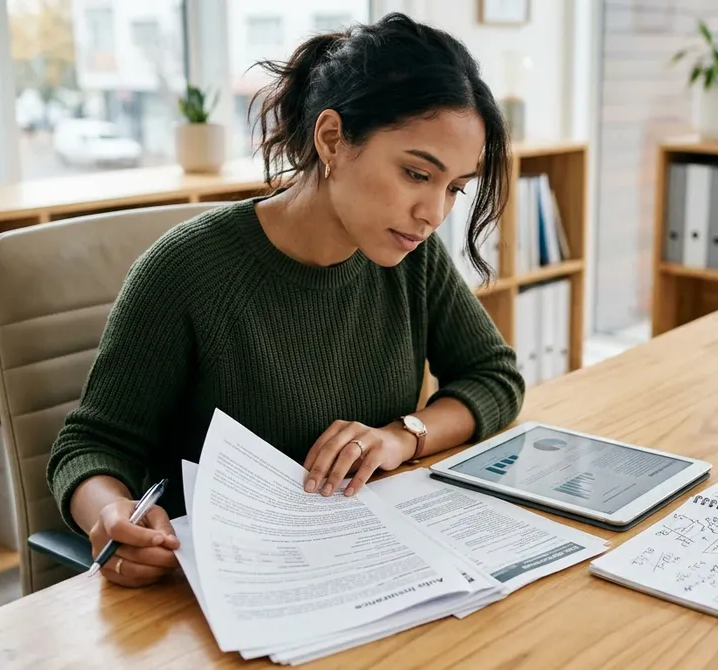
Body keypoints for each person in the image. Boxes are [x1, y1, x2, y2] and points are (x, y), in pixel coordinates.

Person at [46, 12, 525, 588]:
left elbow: (493, 376)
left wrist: (402, 435)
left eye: (454, 188)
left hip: (362, 564)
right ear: (331, 139)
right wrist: (108, 513)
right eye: (416, 174)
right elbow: (92, 444)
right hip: (225, 586)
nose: (435, 213)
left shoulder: (410, 255)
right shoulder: (186, 271)